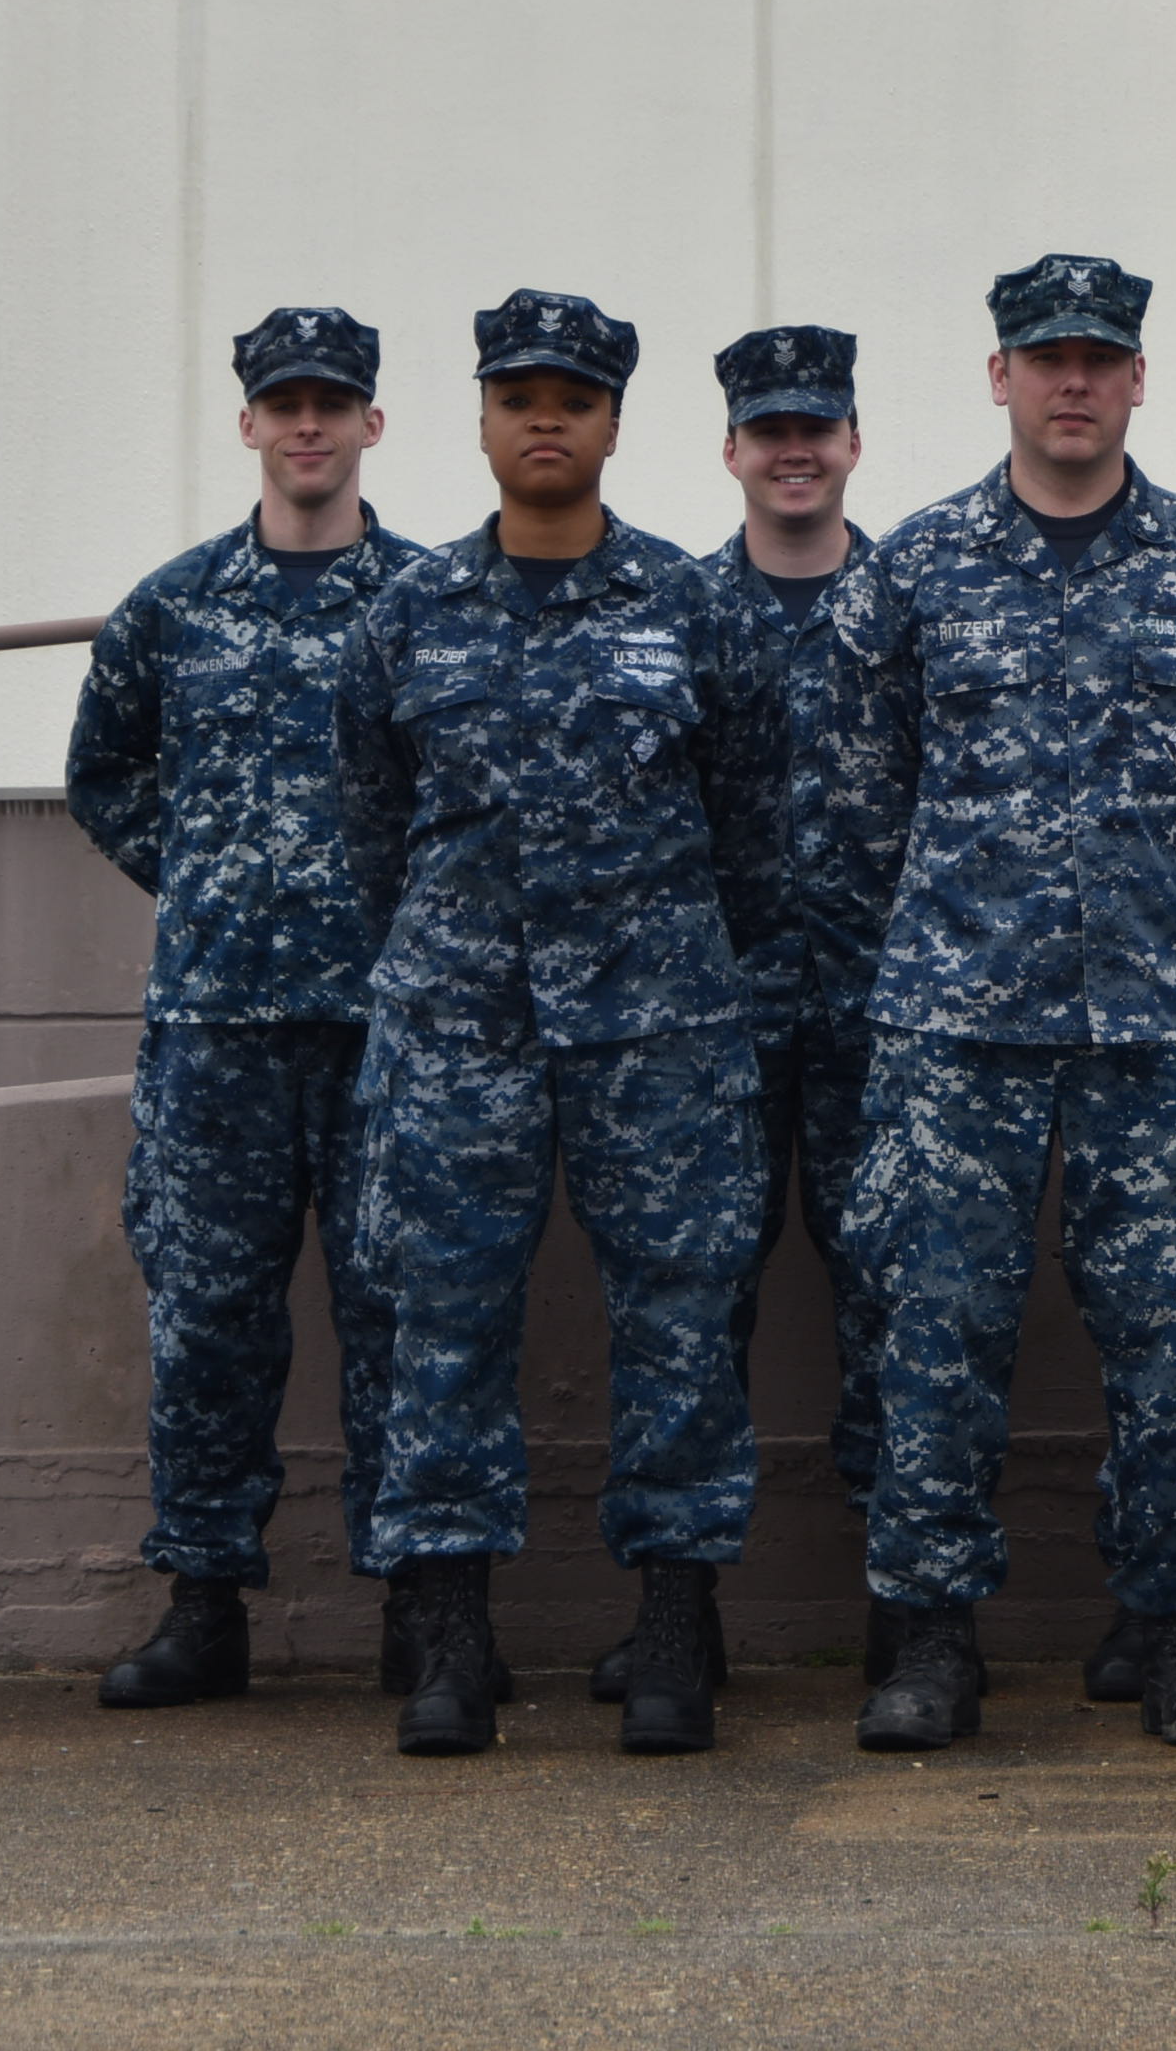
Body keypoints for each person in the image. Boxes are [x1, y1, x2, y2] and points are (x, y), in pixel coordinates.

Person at [807, 255, 1176, 1753]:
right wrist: (949, 949)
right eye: (1043, 357)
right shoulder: (919, 569)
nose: (1072, 382)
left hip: (1160, 1026)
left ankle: (1175, 1632)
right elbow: (857, 811)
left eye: (1099, 358)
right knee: (937, 1335)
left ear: (1141, 380)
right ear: (998, 377)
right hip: (959, 1027)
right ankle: (935, 1639)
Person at [333, 291, 763, 1759]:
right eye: (520, 395)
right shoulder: (408, 613)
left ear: (614, 424)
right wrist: (453, 962)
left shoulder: (692, 606)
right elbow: (373, 823)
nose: (545, 419)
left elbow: (754, 820)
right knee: (441, 1321)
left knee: (681, 1325)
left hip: (661, 1027)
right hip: (461, 1027)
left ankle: (673, 1629)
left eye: (573, 398)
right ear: (482, 417)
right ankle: (452, 1640)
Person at [64, 306, 420, 1711]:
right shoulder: (173, 606)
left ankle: (421, 1604)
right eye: (288, 404)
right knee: (209, 1318)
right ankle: (205, 1601)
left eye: (336, 402)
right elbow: (103, 775)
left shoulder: (429, 597)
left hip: (390, 1022)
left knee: (405, 1311)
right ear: (251, 424)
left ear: (374, 423)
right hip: (216, 1028)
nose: (312, 425)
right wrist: (212, 874)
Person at [650, 321, 879, 1710]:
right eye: (769, 433)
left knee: (896, 1309)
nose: (795, 453)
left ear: (852, 445)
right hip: (711, 1027)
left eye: (818, 430)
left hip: (875, 1020)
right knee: (692, 1314)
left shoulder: (909, 596)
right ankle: (681, 1614)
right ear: (731, 452)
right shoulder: (672, 611)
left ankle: (907, 1613)